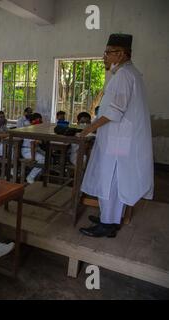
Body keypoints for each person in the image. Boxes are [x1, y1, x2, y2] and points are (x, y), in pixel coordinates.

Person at [79, 34, 154, 238]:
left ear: (120, 54)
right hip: (119, 136)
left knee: (110, 178)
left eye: (108, 52)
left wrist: (88, 129)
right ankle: (109, 216)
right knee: (112, 178)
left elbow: (114, 111)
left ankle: (108, 224)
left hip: (118, 137)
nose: (104, 57)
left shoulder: (123, 76)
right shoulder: (129, 73)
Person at [21, 113, 45, 184]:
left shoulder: (36, 128)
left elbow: (36, 143)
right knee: (43, 159)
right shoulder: (31, 129)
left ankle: (38, 175)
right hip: (27, 150)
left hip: (34, 149)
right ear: (33, 121)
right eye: (38, 120)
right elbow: (32, 144)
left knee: (47, 156)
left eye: (40, 120)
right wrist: (33, 158)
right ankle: (30, 176)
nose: (40, 121)